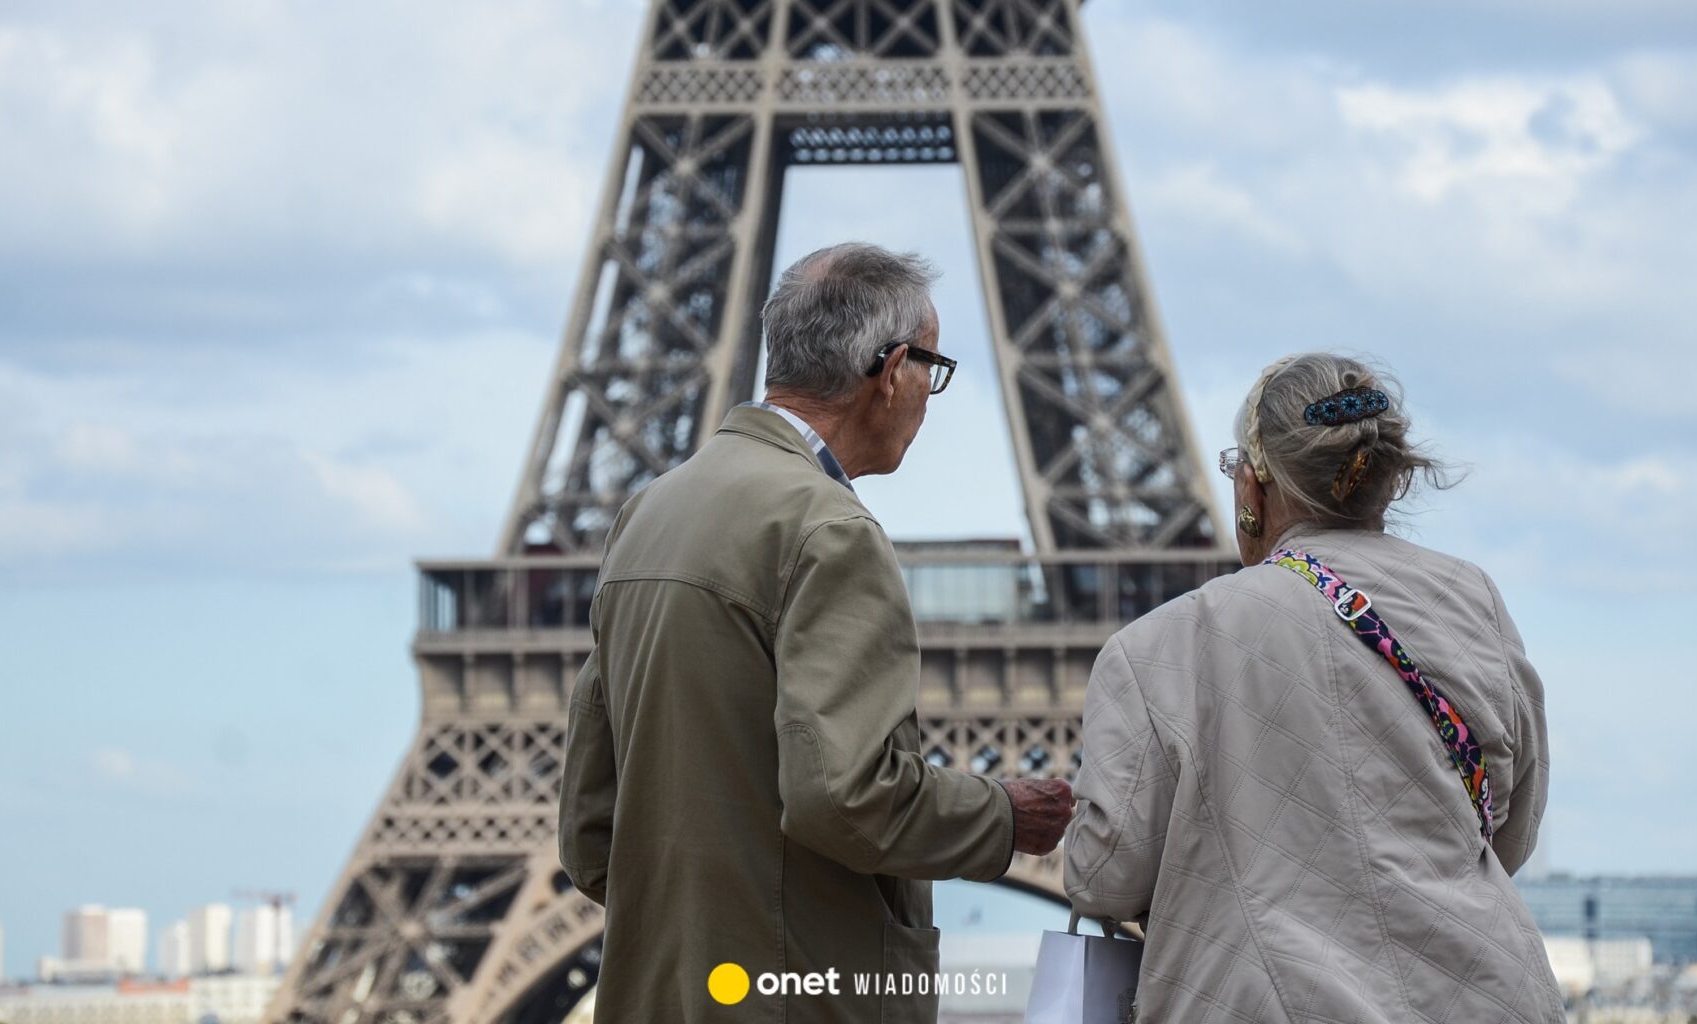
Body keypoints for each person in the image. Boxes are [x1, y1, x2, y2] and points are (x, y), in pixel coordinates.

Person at [559, 242, 1075, 1023]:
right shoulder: (827, 529)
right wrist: (1003, 815)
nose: (928, 398)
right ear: (892, 369)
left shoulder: (652, 511)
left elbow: (590, 831)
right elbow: (846, 797)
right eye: (932, 372)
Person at [1063, 352, 1564, 1022]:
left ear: (1252, 483)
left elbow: (1105, 875)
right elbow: (1509, 831)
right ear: (1385, 482)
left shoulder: (1159, 646)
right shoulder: (1472, 598)